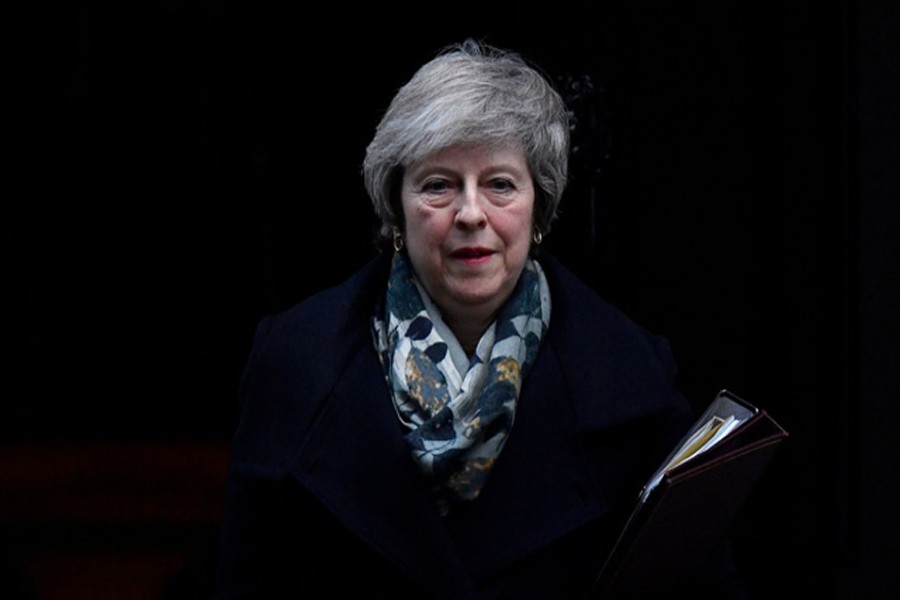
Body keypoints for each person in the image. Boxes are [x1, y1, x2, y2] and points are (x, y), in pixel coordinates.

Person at [215, 39, 748, 599]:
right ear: (396, 210)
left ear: (538, 210)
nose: (471, 214)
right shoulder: (294, 363)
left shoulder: (631, 377)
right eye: (438, 185)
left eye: (499, 184)